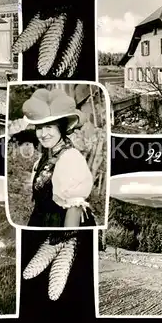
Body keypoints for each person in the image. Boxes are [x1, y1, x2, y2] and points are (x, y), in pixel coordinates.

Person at [14, 88, 97, 228]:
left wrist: (66, 243)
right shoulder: (47, 156)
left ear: (61, 128)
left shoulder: (70, 158)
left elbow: (74, 209)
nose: (43, 134)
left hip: (60, 227)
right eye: (39, 127)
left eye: (49, 127)